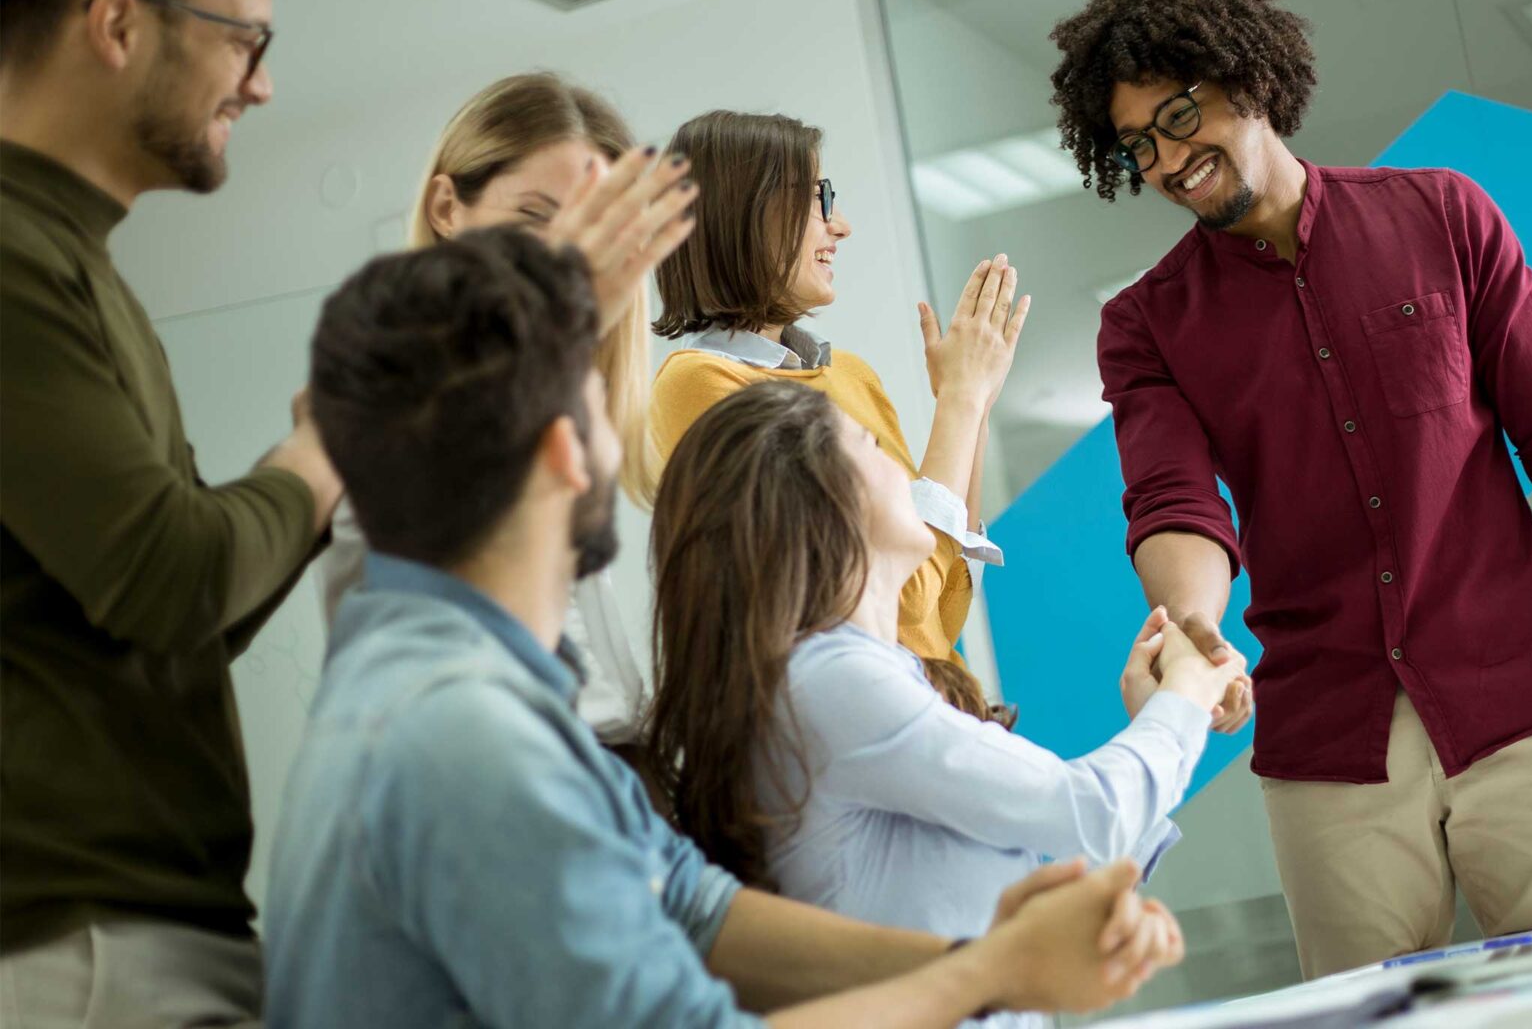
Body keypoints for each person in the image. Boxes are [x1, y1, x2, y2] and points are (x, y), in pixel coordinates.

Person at [268, 225, 1181, 1028]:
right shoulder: (469, 736)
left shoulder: (425, 685)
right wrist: (989, 971)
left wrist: (982, 968)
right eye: (604, 407)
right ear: (564, 454)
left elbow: (697, 908)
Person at [1046, 0, 1532, 978]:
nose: (1168, 160)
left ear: (1250, 83)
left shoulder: (1443, 216)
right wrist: (1194, 632)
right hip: (1331, 749)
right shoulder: (1145, 325)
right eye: (1138, 145)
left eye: (1179, 117)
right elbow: (1177, 499)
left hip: (1526, 705)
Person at [642, 380, 1241, 1027]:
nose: (902, 468)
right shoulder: (832, 680)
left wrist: (1156, 717)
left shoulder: (857, 675)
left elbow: (1042, 858)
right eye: (872, 444)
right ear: (824, 497)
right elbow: (1093, 812)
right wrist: (1183, 696)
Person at [0, 0, 341, 1023]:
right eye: (246, 39)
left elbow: (181, 614)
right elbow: (169, 574)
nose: (262, 83)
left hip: (150, 933)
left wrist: (326, 483)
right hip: (90, 946)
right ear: (117, 25)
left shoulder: (80, 265)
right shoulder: (13, 261)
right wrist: (321, 458)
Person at [317, 71, 695, 745]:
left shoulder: (566, 396)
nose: (565, 254)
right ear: (446, 208)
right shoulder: (400, 400)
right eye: (533, 216)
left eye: (593, 224)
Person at [648, 110, 1028, 726]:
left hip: (939, 720)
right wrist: (958, 402)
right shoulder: (702, 384)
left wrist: (973, 404)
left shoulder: (850, 374)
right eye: (819, 198)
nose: (841, 226)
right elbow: (898, 609)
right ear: (744, 210)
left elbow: (942, 610)